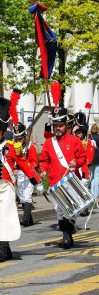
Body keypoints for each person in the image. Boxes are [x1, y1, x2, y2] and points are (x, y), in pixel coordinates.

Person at [0, 97, 42, 262]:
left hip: (5, 187)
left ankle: (2, 250)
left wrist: (36, 181)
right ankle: (7, 248)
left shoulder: (11, 147)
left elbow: (24, 164)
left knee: (3, 218)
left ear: (3, 131)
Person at [40, 107, 87, 249]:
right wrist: (43, 170)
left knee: (69, 210)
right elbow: (44, 160)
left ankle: (67, 236)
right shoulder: (49, 143)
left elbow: (82, 158)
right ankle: (66, 230)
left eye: (60, 125)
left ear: (65, 125)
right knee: (59, 211)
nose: (58, 128)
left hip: (71, 180)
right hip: (55, 182)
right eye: (56, 126)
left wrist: (76, 163)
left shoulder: (74, 141)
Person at [13, 122, 39, 227]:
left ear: (24, 137)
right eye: (16, 138)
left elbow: (34, 162)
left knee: (27, 196)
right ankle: (30, 220)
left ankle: (26, 220)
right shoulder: (13, 147)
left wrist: (26, 165)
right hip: (18, 175)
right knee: (22, 197)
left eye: (20, 138)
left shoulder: (30, 147)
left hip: (28, 174)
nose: (18, 140)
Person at [73, 125, 94, 216]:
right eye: (77, 133)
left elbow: (90, 155)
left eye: (80, 133)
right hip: (76, 168)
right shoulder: (74, 142)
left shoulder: (89, 142)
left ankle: (85, 208)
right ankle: (81, 207)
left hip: (85, 168)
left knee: (84, 188)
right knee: (78, 188)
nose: (78, 135)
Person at [89, 124, 99, 199]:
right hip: (98, 158)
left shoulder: (89, 137)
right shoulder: (98, 137)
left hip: (91, 157)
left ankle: (91, 193)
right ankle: (96, 194)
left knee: (92, 176)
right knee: (97, 176)